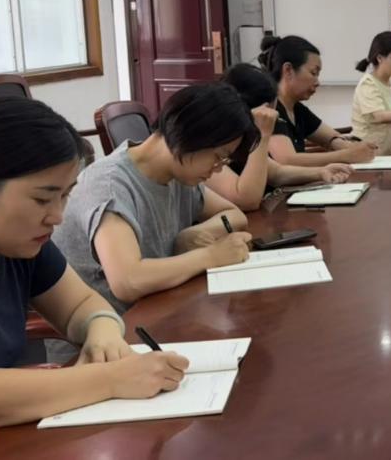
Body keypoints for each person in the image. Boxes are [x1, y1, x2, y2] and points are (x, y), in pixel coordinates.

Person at [0, 98, 189, 459]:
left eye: (65, 195)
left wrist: (101, 332)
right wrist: (112, 379)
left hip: (1, 438)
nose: (57, 216)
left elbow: (80, 305)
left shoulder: (14, 241)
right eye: (43, 199)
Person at [53, 83, 257, 314]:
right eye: (218, 157)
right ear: (190, 134)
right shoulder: (110, 185)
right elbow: (128, 281)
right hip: (111, 328)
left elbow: (234, 214)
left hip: (160, 309)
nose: (218, 169)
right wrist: (210, 256)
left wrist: (193, 234)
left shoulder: (177, 175)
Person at [210, 64, 354, 210]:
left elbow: (277, 173)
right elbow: (247, 200)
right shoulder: (209, 144)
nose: (275, 117)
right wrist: (263, 135)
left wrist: (321, 172)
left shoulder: (244, 139)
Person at [259, 35, 377, 167]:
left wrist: (348, 146)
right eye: (313, 73)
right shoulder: (269, 109)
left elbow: (329, 136)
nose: (317, 82)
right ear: (288, 70)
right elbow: (287, 160)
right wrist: (346, 155)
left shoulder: (297, 109)